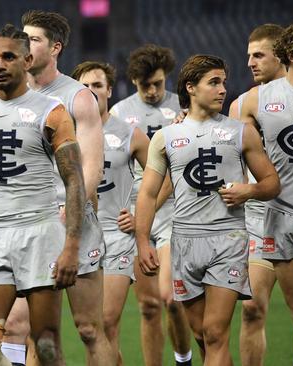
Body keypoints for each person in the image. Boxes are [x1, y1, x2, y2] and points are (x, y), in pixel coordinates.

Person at [0, 23, 85, 366]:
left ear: (26, 60)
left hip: (40, 233)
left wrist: (70, 246)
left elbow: (75, 181)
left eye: (8, 57)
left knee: (47, 344)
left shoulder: (50, 111)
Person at [136, 54, 280, 366]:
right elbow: (147, 194)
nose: (222, 89)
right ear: (191, 88)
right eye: (213, 82)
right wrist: (142, 240)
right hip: (184, 243)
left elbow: (271, 183)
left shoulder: (241, 133)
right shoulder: (165, 137)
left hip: (228, 239)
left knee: (215, 333)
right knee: (202, 335)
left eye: (223, 82)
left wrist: (249, 190)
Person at [20, 11, 114, 366]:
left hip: (74, 222)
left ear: (55, 47)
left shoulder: (78, 97)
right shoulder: (10, 98)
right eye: (22, 38)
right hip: (28, 223)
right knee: (35, 333)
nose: (24, 45)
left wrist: (70, 210)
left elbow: (92, 165)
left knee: (89, 328)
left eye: (34, 39)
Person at [71, 60, 162, 365]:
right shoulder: (64, 132)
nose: (91, 91)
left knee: (106, 321)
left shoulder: (130, 134)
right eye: (83, 87)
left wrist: (140, 215)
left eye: (97, 85)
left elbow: (166, 176)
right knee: (89, 331)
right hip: (77, 236)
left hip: (116, 237)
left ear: (109, 90)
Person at [239, 19, 293, 365]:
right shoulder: (250, 103)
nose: (251, 63)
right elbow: (229, 154)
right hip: (271, 217)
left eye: (259, 55)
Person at [110, 44, 192, 366]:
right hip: (134, 217)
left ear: (166, 77)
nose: (154, 90)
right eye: (146, 85)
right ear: (133, 81)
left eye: (159, 83)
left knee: (171, 298)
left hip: (172, 213)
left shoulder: (183, 109)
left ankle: (183, 358)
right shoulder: (119, 114)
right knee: (148, 306)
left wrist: (148, 211)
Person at [227, 24, 293, 366]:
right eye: (248, 56)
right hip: (258, 218)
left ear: (281, 56)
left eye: (259, 55)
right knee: (252, 310)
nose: (251, 63)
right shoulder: (241, 105)